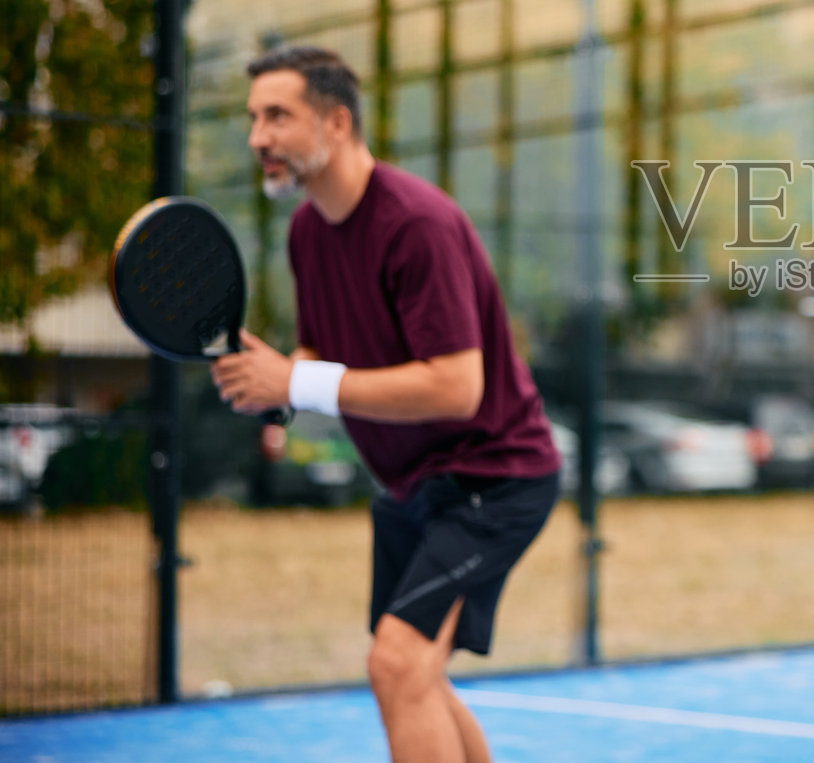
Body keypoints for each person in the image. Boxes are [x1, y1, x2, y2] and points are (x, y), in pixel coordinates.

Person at [211, 45, 562, 763]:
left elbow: (455, 386)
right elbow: (324, 357)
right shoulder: (309, 231)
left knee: (399, 665)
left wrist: (298, 383)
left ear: (337, 122)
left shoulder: (417, 223)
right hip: (411, 486)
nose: (258, 138)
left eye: (278, 115)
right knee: (411, 674)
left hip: (494, 477)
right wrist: (272, 379)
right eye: (253, 118)